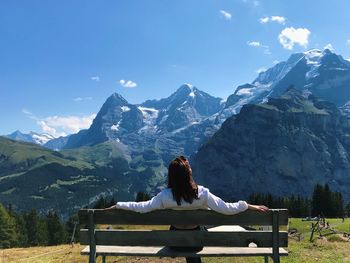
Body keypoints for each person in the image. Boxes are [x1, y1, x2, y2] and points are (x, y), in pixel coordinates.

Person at [105, 155, 269, 263]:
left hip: (174, 243)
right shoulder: (202, 193)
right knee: (199, 228)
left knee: (185, 231)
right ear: (188, 173)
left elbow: (142, 207)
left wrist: (119, 205)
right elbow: (227, 209)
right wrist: (248, 205)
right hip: (196, 243)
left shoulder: (164, 196)